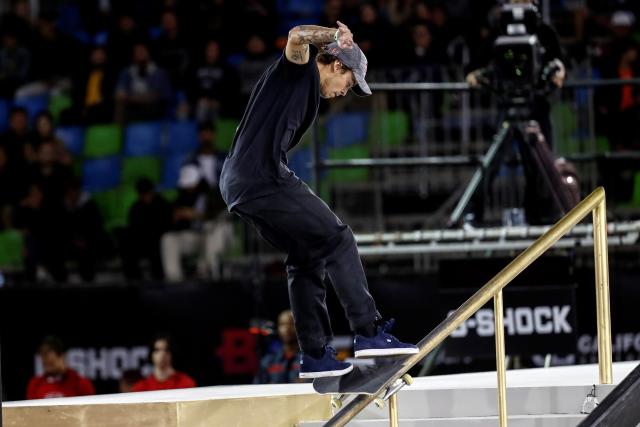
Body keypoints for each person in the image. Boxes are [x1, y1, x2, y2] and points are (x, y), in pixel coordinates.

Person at [219, 22, 418, 379]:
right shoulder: (298, 71)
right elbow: (296, 35)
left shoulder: (308, 92)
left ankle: (315, 355)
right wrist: (332, 36)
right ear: (337, 64)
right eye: (349, 83)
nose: (347, 92)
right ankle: (368, 332)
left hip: (240, 185)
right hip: (261, 178)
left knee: (306, 256)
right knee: (337, 237)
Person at [119, 177, 171, 280]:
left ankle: (159, 281)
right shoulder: (136, 207)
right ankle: (134, 282)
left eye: (147, 193)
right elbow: (133, 228)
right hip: (142, 241)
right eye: (143, 194)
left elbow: (167, 225)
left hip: (159, 240)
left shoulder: (162, 204)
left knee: (158, 249)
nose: (146, 196)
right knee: (128, 246)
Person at [114, 42, 172, 123]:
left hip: (153, 107)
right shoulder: (126, 72)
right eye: (137, 52)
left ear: (148, 53)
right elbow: (119, 94)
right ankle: (120, 133)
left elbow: (154, 96)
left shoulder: (158, 72)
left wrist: (130, 98)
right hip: (133, 107)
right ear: (133, 55)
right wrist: (130, 98)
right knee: (120, 106)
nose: (140, 53)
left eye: (142, 51)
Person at [27, 336, 95, 399]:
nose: (45, 359)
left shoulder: (80, 384)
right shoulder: (35, 385)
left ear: (62, 356)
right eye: (45, 363)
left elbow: (89, 410)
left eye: (51, 362)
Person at [132, 334, 196, 392]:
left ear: (172, 353)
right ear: (151, 354)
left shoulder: (186, 383)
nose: (162, 354)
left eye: (166, 350)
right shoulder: (141, 388)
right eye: (157, 350)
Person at [254, 310, 303, 384]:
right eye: (282, 324)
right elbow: (256, 388)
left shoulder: (309, 360)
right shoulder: (268, 361)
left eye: (292, 324)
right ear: (278, 328)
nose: (287, 328)